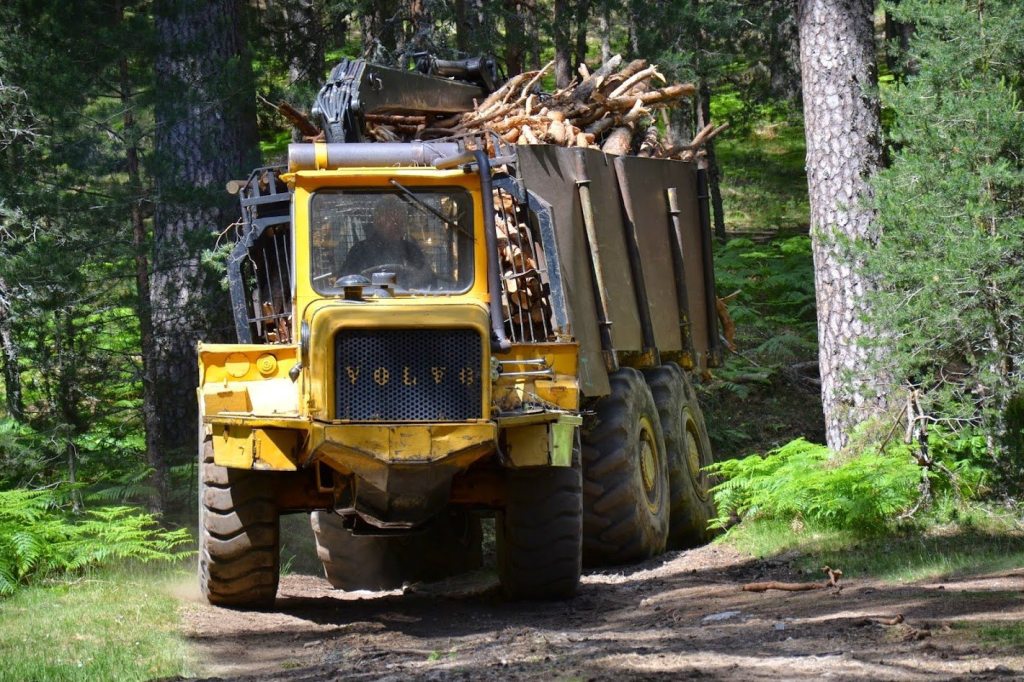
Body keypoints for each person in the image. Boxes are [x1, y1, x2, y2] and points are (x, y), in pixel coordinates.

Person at [340, 196, 429, 277]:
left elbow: (429, 284)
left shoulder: (413, 251)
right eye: (389, 219)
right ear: (377, 221)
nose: (395, 224)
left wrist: (417, 276)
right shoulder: (359, 251)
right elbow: (345, 284)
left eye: (399, 221)